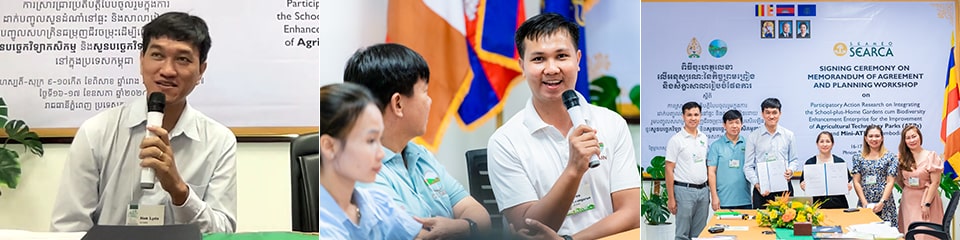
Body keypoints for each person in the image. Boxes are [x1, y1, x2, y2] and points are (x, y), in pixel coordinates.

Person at [50, 12, 237, 233]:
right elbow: (68, 229)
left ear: (200, 71)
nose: (167, 70)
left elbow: (223, 233)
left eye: (183, 59)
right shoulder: (96, 132)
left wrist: (179, 191)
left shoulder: (219, 141)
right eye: (157, 55)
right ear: (141, 61)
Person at [487, 13, 641, 240]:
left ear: (578, 60)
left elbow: (631, 213)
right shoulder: (505, 141)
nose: (551, 69)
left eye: (561, 56)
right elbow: (527, 228)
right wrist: (574, 169)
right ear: (522, 66)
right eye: (538, 59)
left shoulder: (611, 123)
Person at [345, 43, 491, 239]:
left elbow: (479, 215)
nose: (429, 101)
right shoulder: (360, 170)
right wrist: (466, 227)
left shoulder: (419, 155)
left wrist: (459, 227)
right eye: (425, 92)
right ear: (398, 104)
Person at [319, 82, 424, 238]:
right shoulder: (324, 227)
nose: (381, 153)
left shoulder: (378, 203)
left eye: (379, 139)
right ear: (329, 146)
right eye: (370, 140)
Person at [743, 98, 799, 208]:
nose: (771, 116)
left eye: (774, 112)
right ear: (762, 114)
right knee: (761, 223)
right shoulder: (753, 137)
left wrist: (791, 170)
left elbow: (794, 160)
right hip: (762, 190)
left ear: (780, 113)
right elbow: (748, 166)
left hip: (784, 188)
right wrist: (757, 184)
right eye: (767, 113)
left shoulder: (789, 135)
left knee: (786, 222)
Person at [666, 101, 710, 240]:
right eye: (689, 115)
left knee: (700, 234)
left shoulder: (704, 138)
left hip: (703, 191)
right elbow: (668, 169)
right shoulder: (676, 140)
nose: (693, 118)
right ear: (683, 117)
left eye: (696, 114)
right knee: (682, 234)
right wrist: (671, 198)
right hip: (684, 191)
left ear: (700, 116)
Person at [896, 125, 944, 234]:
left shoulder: (931, 156)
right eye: (908, 138)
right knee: (910, 232)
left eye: (914, 136)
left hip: (927, 200)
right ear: (904, 141)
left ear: (920, 137)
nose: (912, 140)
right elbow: (898, 179)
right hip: (908, 201)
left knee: (924, 233)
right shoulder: (901, 158)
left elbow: (935, 182)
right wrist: (909, 189)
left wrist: (926, 204)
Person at [851, 125, 898, 227]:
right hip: (865, 204)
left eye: (877, 136)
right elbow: (856, 181)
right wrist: (864, 203)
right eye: (871, 136)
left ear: (882, 138)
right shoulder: (858, 157)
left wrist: (882, 202)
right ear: (866, 138)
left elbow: (890, 182)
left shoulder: (890, 157)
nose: (874, 139)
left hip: (885, 205)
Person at [707, 110, 752, 210]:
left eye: (737, 122)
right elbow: (711, 172)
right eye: (731, 123)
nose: (734, 126)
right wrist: (714, 196)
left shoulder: (748, 144)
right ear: (724, 125)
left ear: (742, 124)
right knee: (724, 226)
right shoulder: (716, 146)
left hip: (745, 199)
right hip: (723, 200)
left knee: (746, 226)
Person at [799, 131, 852, 209]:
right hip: (816, 204)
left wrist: (848, 186)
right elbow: (803, 182)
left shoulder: (839, 162)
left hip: (839, 204)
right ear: (817, 144)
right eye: (821, 141)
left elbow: (848, 181)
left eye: (828, 141)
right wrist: (803, 186)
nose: (824, 144)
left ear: (832, 144)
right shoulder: (810, 163)